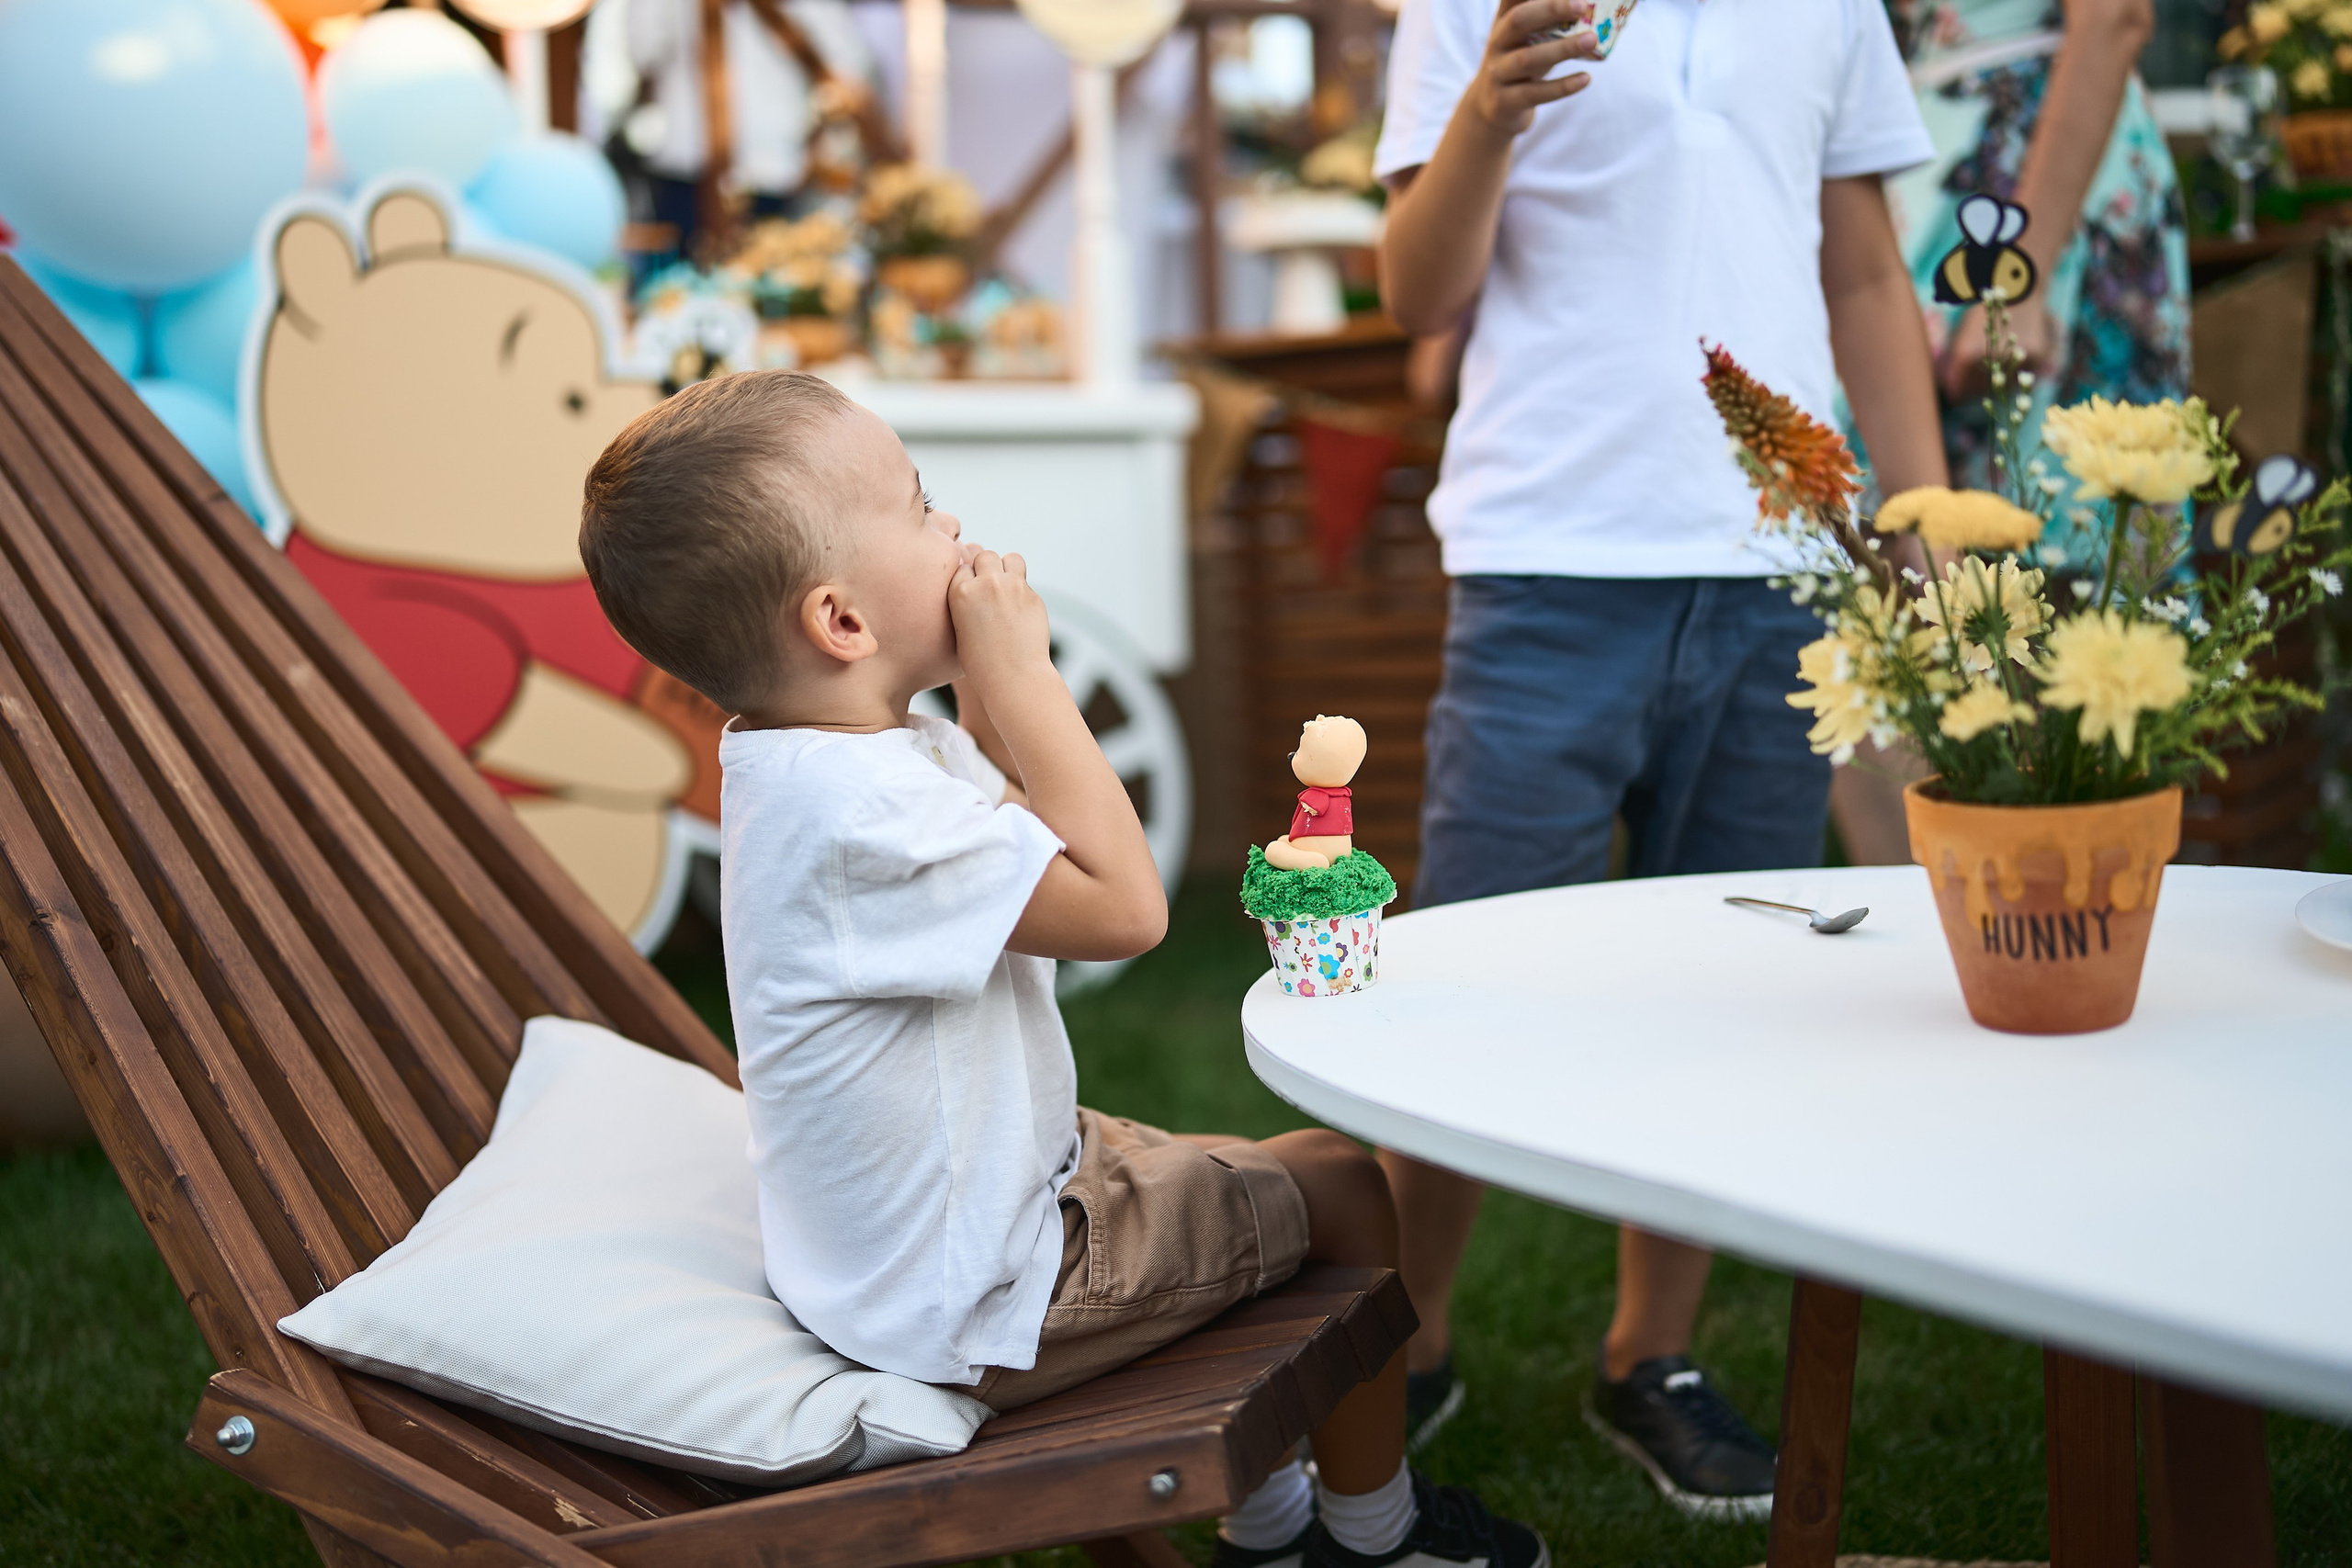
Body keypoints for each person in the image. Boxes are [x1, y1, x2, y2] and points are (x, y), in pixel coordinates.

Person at [577, 370, 1550, 1568]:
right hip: (981, 1294)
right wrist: (1031, 678)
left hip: (939, 1229)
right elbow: (1125, 906)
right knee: (1347, 1188)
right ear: (841, 623)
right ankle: (1371, 1539)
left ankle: (1273, 1523)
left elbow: (1019, 826)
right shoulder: (863, 814)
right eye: (920, 505)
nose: (951, 527)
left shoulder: (817, 764)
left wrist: (985, 698)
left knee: (1224, 1168)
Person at [1373, 0, 1951, 1520]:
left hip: (1778, 566)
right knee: (1468, 976)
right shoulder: (1469, 11)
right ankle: (1406, 1339)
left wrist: (1923, 513)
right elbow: (1415, 294)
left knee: (1725, 989)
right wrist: (1489, 113)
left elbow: (1867, 269)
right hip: (1545, 562)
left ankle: (1654, 1357)